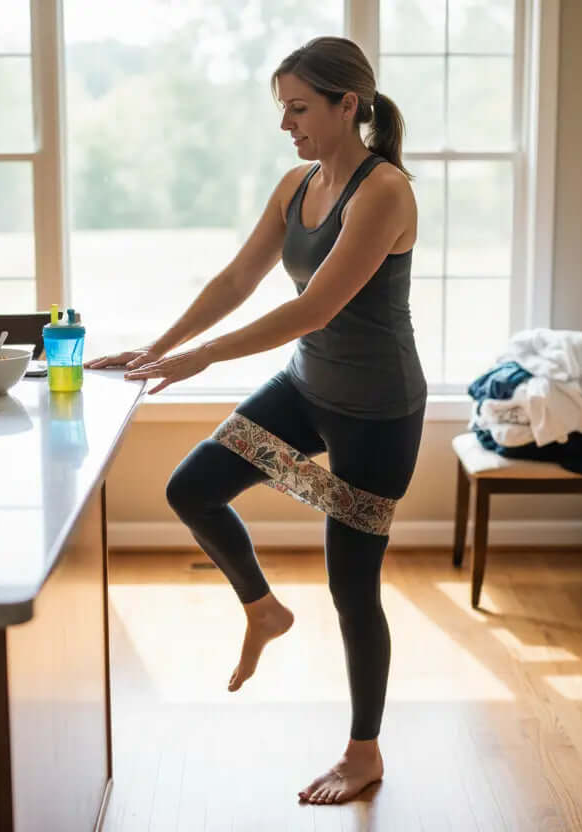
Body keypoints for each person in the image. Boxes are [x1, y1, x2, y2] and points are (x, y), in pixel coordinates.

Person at [84, 35, 427, 807]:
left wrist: (202, 361)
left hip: (378, 409)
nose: (288, 125)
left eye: (300, 109)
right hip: (308, 388)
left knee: (352, 585)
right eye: (283, 109)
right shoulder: (294, 184)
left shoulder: (385, 193)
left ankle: (363, 753)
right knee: (193, 488)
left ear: (349, 105)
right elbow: (239, 277)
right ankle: (263, 609)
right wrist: (158, 347)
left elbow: (314, 307)